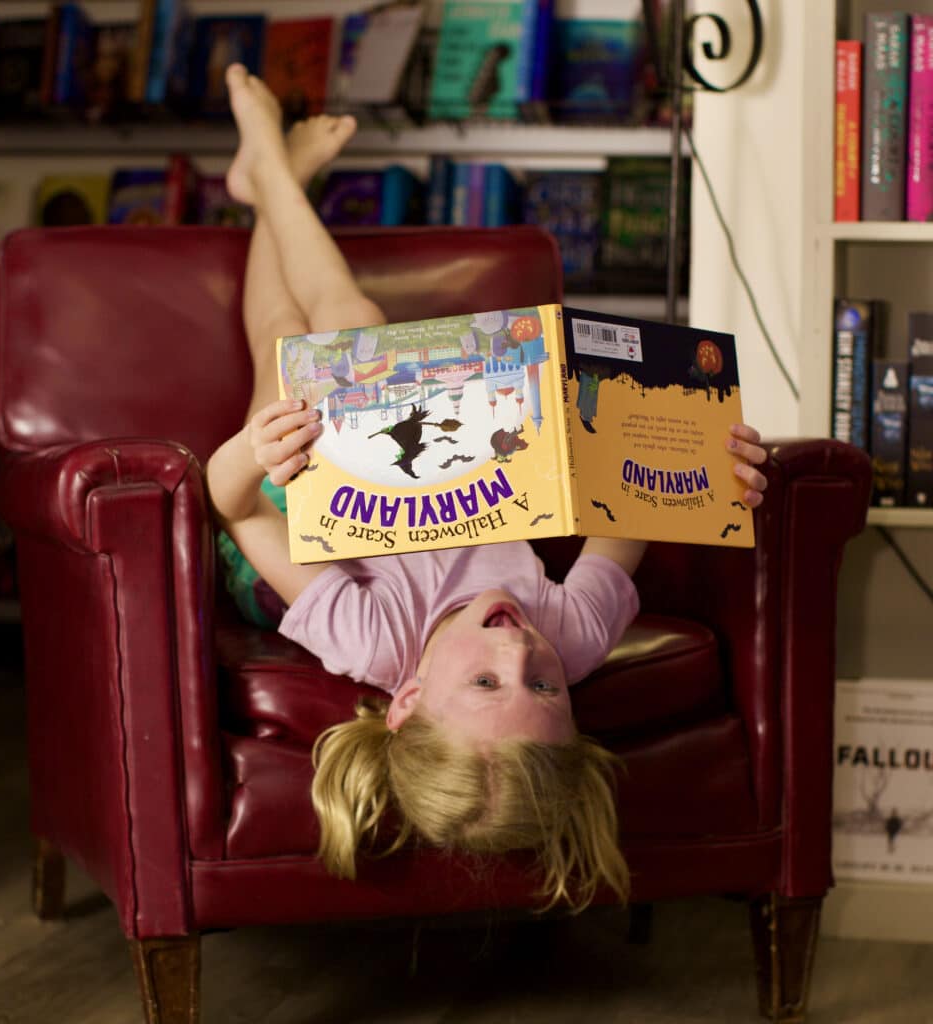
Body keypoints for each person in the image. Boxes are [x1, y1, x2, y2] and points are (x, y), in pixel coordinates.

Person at [205, 66, 770, 911]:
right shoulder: (572, 636)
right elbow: (637, 495)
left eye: (486, 685)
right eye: (546, 690)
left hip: (284, 530)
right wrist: (708, 462)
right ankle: (268, 180)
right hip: (416, 471)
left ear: (407, 700)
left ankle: (272, 181)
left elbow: (231, 504)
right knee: (335, 324)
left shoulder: (370, 636)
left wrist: (255, 451)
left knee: (300, 337)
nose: (520, 653)